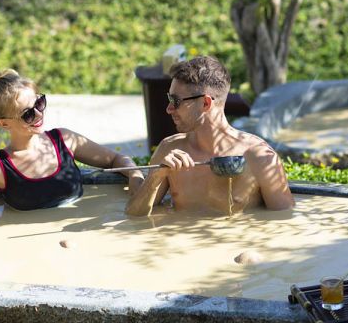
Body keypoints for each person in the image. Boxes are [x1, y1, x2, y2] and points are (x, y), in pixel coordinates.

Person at [0, 69, 143, 247]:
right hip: (31, 251)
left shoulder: (65, 140)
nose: (38, 114)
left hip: (86, 240)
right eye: (27, 113)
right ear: (4, 123)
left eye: (39, 103)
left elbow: (117, 159)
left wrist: (134, 175)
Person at [125, 55, 294, 216]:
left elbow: (284, 222)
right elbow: (133, 215)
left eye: (176, 100)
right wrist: (155, 176)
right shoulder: (169, 149)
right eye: (169, 98)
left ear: (205, 103)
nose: (169, 109)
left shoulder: (260, 157)